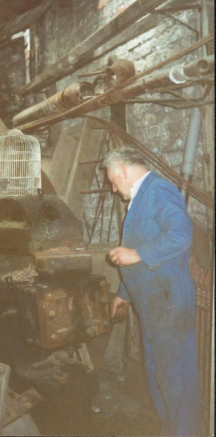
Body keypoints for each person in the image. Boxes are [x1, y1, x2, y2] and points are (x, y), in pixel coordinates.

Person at [102, 147, 201, 437]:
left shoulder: (158, 190)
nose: (112, 187)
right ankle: (170, 430)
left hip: (168, 300)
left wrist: (137, 253)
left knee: (175, 378)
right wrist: (124, 292)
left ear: (121, 169)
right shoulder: (140, 197)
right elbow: (138, 255)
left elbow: (181, 235)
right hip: (153, 303)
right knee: (159, 373)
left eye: (111, 179)